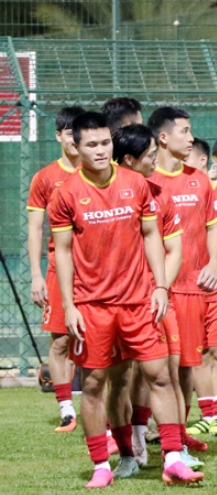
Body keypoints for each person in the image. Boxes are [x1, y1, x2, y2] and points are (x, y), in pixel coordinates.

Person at [48, 112, 204, 488]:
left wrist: (161, 286)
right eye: (92, 145)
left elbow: (153, 236)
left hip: (139, 303)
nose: (100, 151)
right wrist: (69, 306)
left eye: (105, 143)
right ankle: (103, 463)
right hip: (92, 306)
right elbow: (63, 253)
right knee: (97, 383)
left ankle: (172, 459)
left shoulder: (136, 184)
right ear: (76, 147)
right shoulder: (66, 193)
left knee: (159, 376)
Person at [147, 107, 217, 452]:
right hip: (157, 288)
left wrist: (216, 266)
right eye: (185, 131)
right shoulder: (146, 181)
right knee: (159, 366)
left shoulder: (199, 179)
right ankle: (144, 431)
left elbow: (214, 227)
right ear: (163, 137)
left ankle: (178, 431)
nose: (191, 138)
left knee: (188, 365)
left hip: (193, 285)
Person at [26, 105, 85, 433]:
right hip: (59, 273)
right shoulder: (46, 178)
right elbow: (35, 229)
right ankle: (66, 409)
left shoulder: (100, 172)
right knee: (60, 340)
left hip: (98, 274)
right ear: (59, 136)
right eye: (67, 133)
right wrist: (36, 274)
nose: (74, 140)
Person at [187, 138, 217, 438]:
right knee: (197, 353)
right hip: (188, 286)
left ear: (203, 161)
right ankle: (206, 413)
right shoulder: (174, 190)